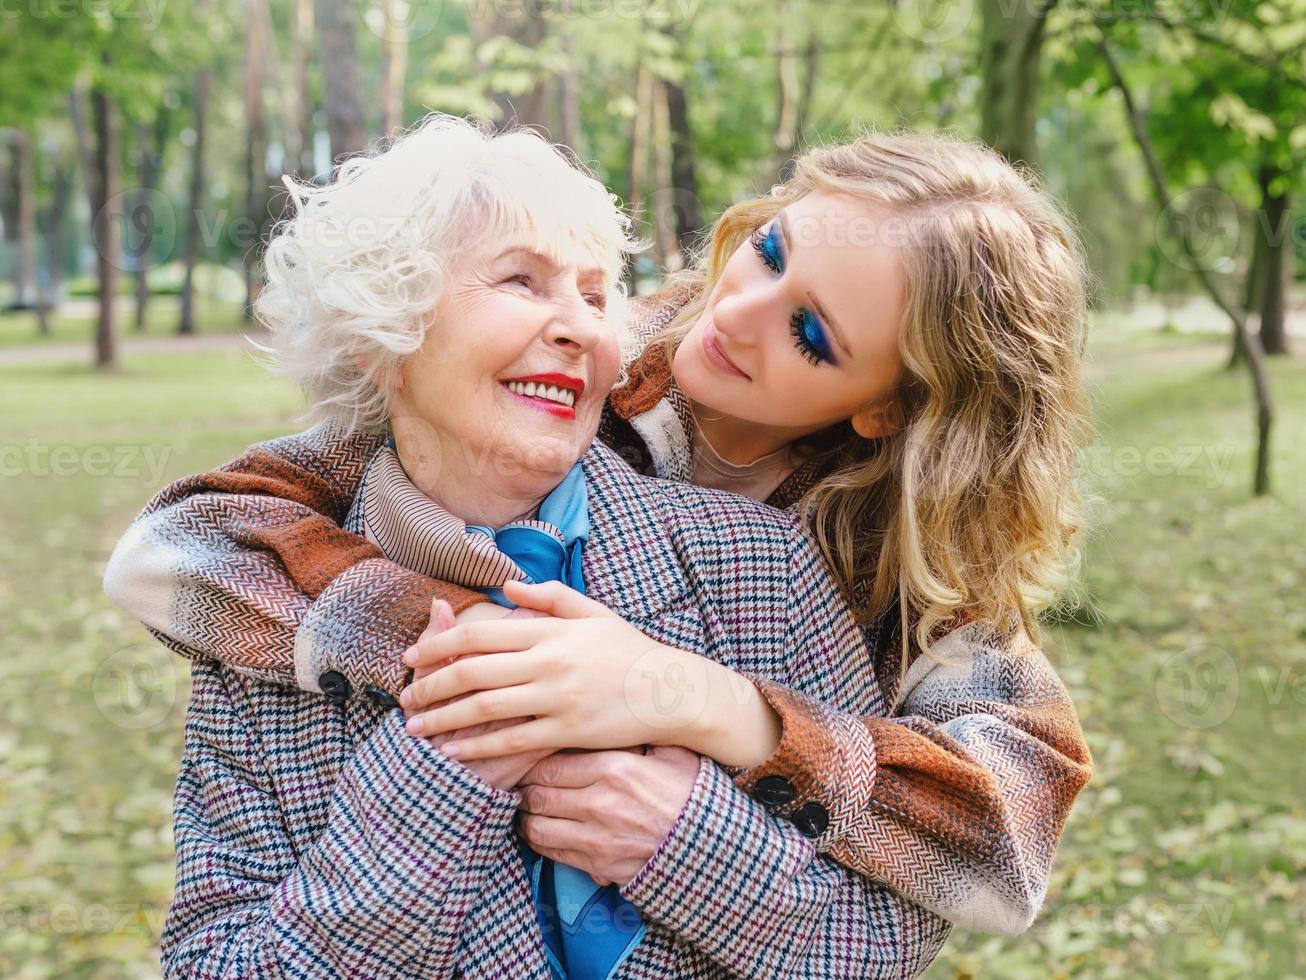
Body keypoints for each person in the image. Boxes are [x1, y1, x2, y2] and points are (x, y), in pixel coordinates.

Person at [106, 116, 1094, 944]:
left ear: (887, 405)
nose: (736, 312)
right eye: (770, 251)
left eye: (808, 333)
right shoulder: (565, 359)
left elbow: (997, 854)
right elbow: (172, 553)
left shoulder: (883, 563)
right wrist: (482, 654)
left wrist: (717, 708)